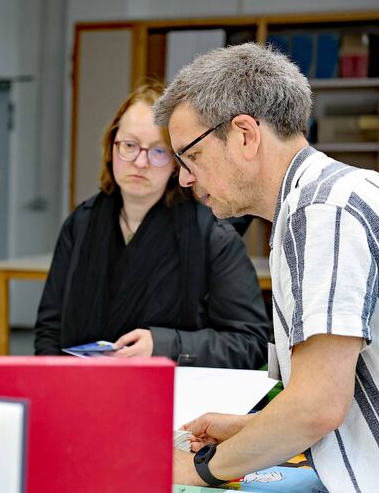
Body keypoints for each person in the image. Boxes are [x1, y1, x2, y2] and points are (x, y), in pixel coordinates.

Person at [155, 43, 379, 493]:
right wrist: (255, 431)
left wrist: (202, 470)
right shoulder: (343, 191)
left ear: (243, 134)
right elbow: (337, 389)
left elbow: (317, 405)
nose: (185, 180)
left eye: (189, 157)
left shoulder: (321, 212)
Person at [34, 80, 269, 367]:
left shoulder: (212, 235)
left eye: (158, 151)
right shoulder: (81, 223)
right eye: (129, 145)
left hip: (175, 399)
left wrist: (164, 345)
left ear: (177, 163)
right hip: (82, 391)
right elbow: (49, 329)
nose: (140, 162)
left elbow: (250, 342)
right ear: (112, 148)